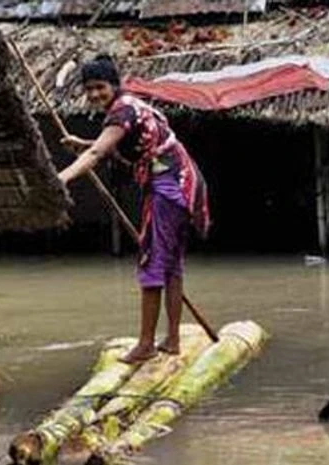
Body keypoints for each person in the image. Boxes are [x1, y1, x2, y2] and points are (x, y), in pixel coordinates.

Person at [57, 54, 210, 364]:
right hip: (185, 185)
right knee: (171, 265)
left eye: (100, 87)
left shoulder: (122, 111)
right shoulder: (131, 106)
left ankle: (146, 345)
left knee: (152, 262)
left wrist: (62, 178)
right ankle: (173, 339)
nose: (94, 94)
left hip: (168, 188)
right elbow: (115, 143)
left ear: (114, 85)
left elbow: (102, 150)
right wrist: (83, 143)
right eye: (89, 89)